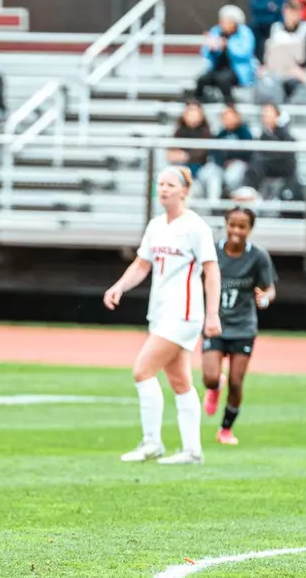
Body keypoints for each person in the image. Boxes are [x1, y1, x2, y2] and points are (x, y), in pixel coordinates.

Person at [102, 166, 221, 465]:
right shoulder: (156, 225)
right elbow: (142, 265)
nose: (164, 189)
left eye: (170, 184)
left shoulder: (195, 226)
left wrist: (212, 314)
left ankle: (151, 442)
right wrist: (119, 287)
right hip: (160, 311)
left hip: (183, 313)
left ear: (184, 190)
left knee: (142, 370)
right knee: (180, 381)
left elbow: (211, 269)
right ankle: (192, 450)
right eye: (161, 184)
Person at [200, 205, 276, 445]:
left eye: (242, 226)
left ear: (250, 229)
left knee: (236, 380)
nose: (236, 231)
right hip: (215, 323)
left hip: (243, 326)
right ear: (226, 225)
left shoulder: (258, 256)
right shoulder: (212, 253)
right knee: (210, 377)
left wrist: (264, 298)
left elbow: (269, 288)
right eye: (232, 225)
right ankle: (215, 387)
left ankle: (226, 429)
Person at [257, 0, 306, 103]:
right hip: (275, 68)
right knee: (265, 80)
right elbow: (268, 51)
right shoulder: (276, 28)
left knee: (290, 82)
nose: (292, 16)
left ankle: (283, 107)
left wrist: (296, 68)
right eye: (289, 12)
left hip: (297, 69)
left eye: (295, 12)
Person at [195, 4, 256, 101]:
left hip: (237, 69)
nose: (223, 24)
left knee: (223, 80)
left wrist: (227, 46)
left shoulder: (245, 33)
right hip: (217, 67)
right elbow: (205, 53)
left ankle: (229, 104)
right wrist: (212, 49)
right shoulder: (216, 31)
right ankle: (199, 103)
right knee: (202, 80)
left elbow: (245, 53)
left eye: (227, 21)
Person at [244, 103, 302, 202]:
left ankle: (250, 189)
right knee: (256, 162)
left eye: (269, 113)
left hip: (284, 167)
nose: (266, 116)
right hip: (267, 167)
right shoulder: (264, 134)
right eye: (264, 114)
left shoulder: (284, 133)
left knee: (259, 162)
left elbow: (285, 154)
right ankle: (250, 191)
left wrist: (282, 125)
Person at [199, 103, 253, 200]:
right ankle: (213, 206)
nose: (228, 119)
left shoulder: (244, 133)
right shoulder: (221, 134)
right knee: (212, 177)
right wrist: (223, 161)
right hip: (221, 165)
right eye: (225, 117)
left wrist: (233, 158)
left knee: (232, 175)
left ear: (237, 117)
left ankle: (230, 198)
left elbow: (247, 152)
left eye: (231, 116)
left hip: (239, 164)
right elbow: (214, 152)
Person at [167, 99, 214, 179]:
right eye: (190, 111)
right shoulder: (179, 131)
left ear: (201, 114)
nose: (193, 114)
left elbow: (203, 152)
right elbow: (173, 150)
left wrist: (186, 156)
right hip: (182, 167)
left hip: (201, 169)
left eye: (195, 111)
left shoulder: (206, 132)